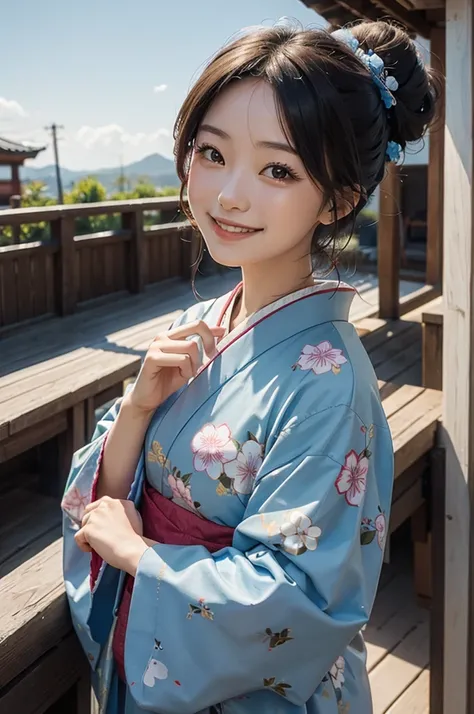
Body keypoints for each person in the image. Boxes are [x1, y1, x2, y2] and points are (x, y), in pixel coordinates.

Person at [62, 18, 440, 714]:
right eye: (211, 153)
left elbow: (299, 598)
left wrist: (143, 558)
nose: (230, 194)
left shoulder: (331, 386)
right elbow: (106, 506)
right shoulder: (196, 325)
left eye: (277, 169)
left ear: (338, 199)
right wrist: (139, 409)